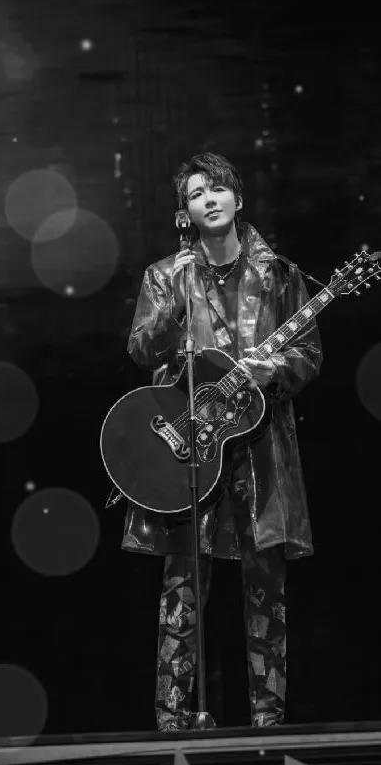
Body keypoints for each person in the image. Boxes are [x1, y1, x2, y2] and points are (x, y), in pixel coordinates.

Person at [122, 151, 322, 731]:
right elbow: (140, 350)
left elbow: (308, 354)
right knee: (182, 587)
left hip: (260, 446)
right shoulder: (166, 275)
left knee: (266, 590)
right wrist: (177, 296)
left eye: (217, 189)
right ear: (184, 210)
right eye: (194, 193)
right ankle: (172, 721)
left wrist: (274, 371)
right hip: (190, 449)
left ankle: (269, 723)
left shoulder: (280, 275)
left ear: (238, 198)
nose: (208, 199)